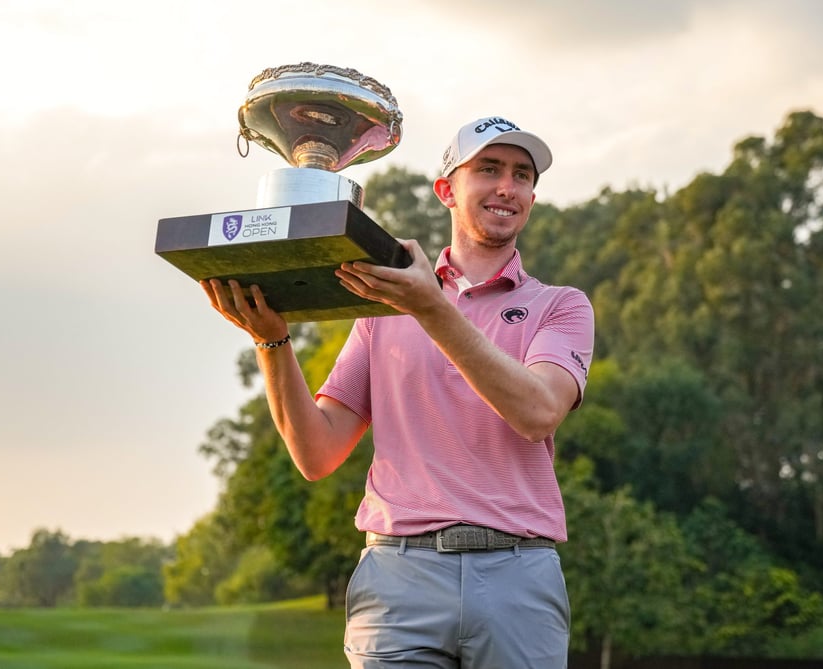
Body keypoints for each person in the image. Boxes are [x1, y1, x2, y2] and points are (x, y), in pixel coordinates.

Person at [201, 115, 594, 669]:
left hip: (517, 575)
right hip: (398, 578)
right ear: (446, 191)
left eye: (522, 175)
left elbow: (537, 411)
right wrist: (274, 341)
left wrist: (430, 307)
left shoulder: (562, 306)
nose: (508, 187)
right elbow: (316, 452)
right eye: (488, 170)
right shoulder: (383, 310)